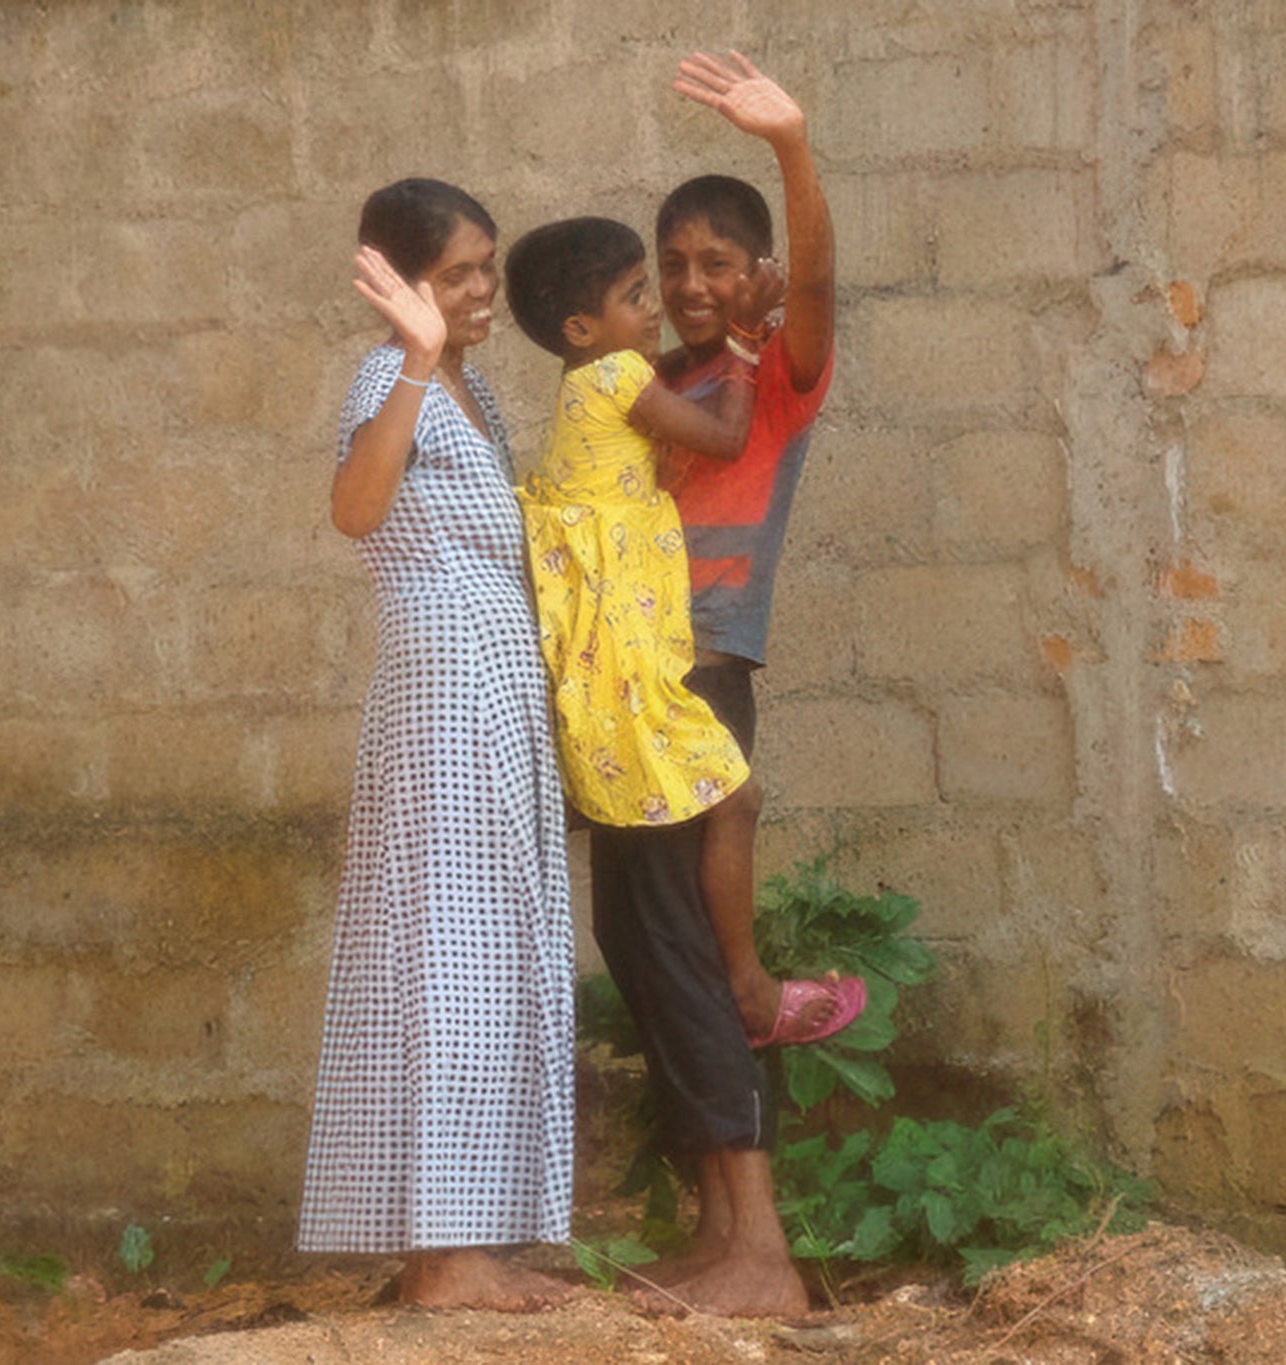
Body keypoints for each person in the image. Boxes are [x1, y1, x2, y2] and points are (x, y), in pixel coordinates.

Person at [589, 51, 838, 1318]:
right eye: (670, 264)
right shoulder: (658, 391)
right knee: (635, 936)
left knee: (681, 940)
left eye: (715, 263)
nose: (691, 284)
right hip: (629, 692)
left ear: (756, 281)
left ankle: (761, 1254)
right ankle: (714, 1231)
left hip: (697, 685)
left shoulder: (769, 378)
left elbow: (819, 294)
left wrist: (790, 149)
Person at [297, 178, 575, 1313]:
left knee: (481, 957)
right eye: (457, 271)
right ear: (403, 281)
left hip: (494, 698)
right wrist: (411, 358)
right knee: (446, 957)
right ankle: (446, 1258)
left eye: (484, 267)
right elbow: (356, 511)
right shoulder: (393, 376)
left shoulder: (482, 393)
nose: (480, 290)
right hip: (446, 698)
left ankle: (452, 1246)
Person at [503, 217, 864, 1053]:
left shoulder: (589, 382)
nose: (658, 306)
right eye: (639, 293)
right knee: (734, 802)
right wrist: (742, 340)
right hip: (633, 653)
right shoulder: (619, 376)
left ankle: (740, 993)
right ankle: (745, 989)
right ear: (581, 331)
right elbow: (728, 437)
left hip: (616, 643)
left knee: (712, 823)